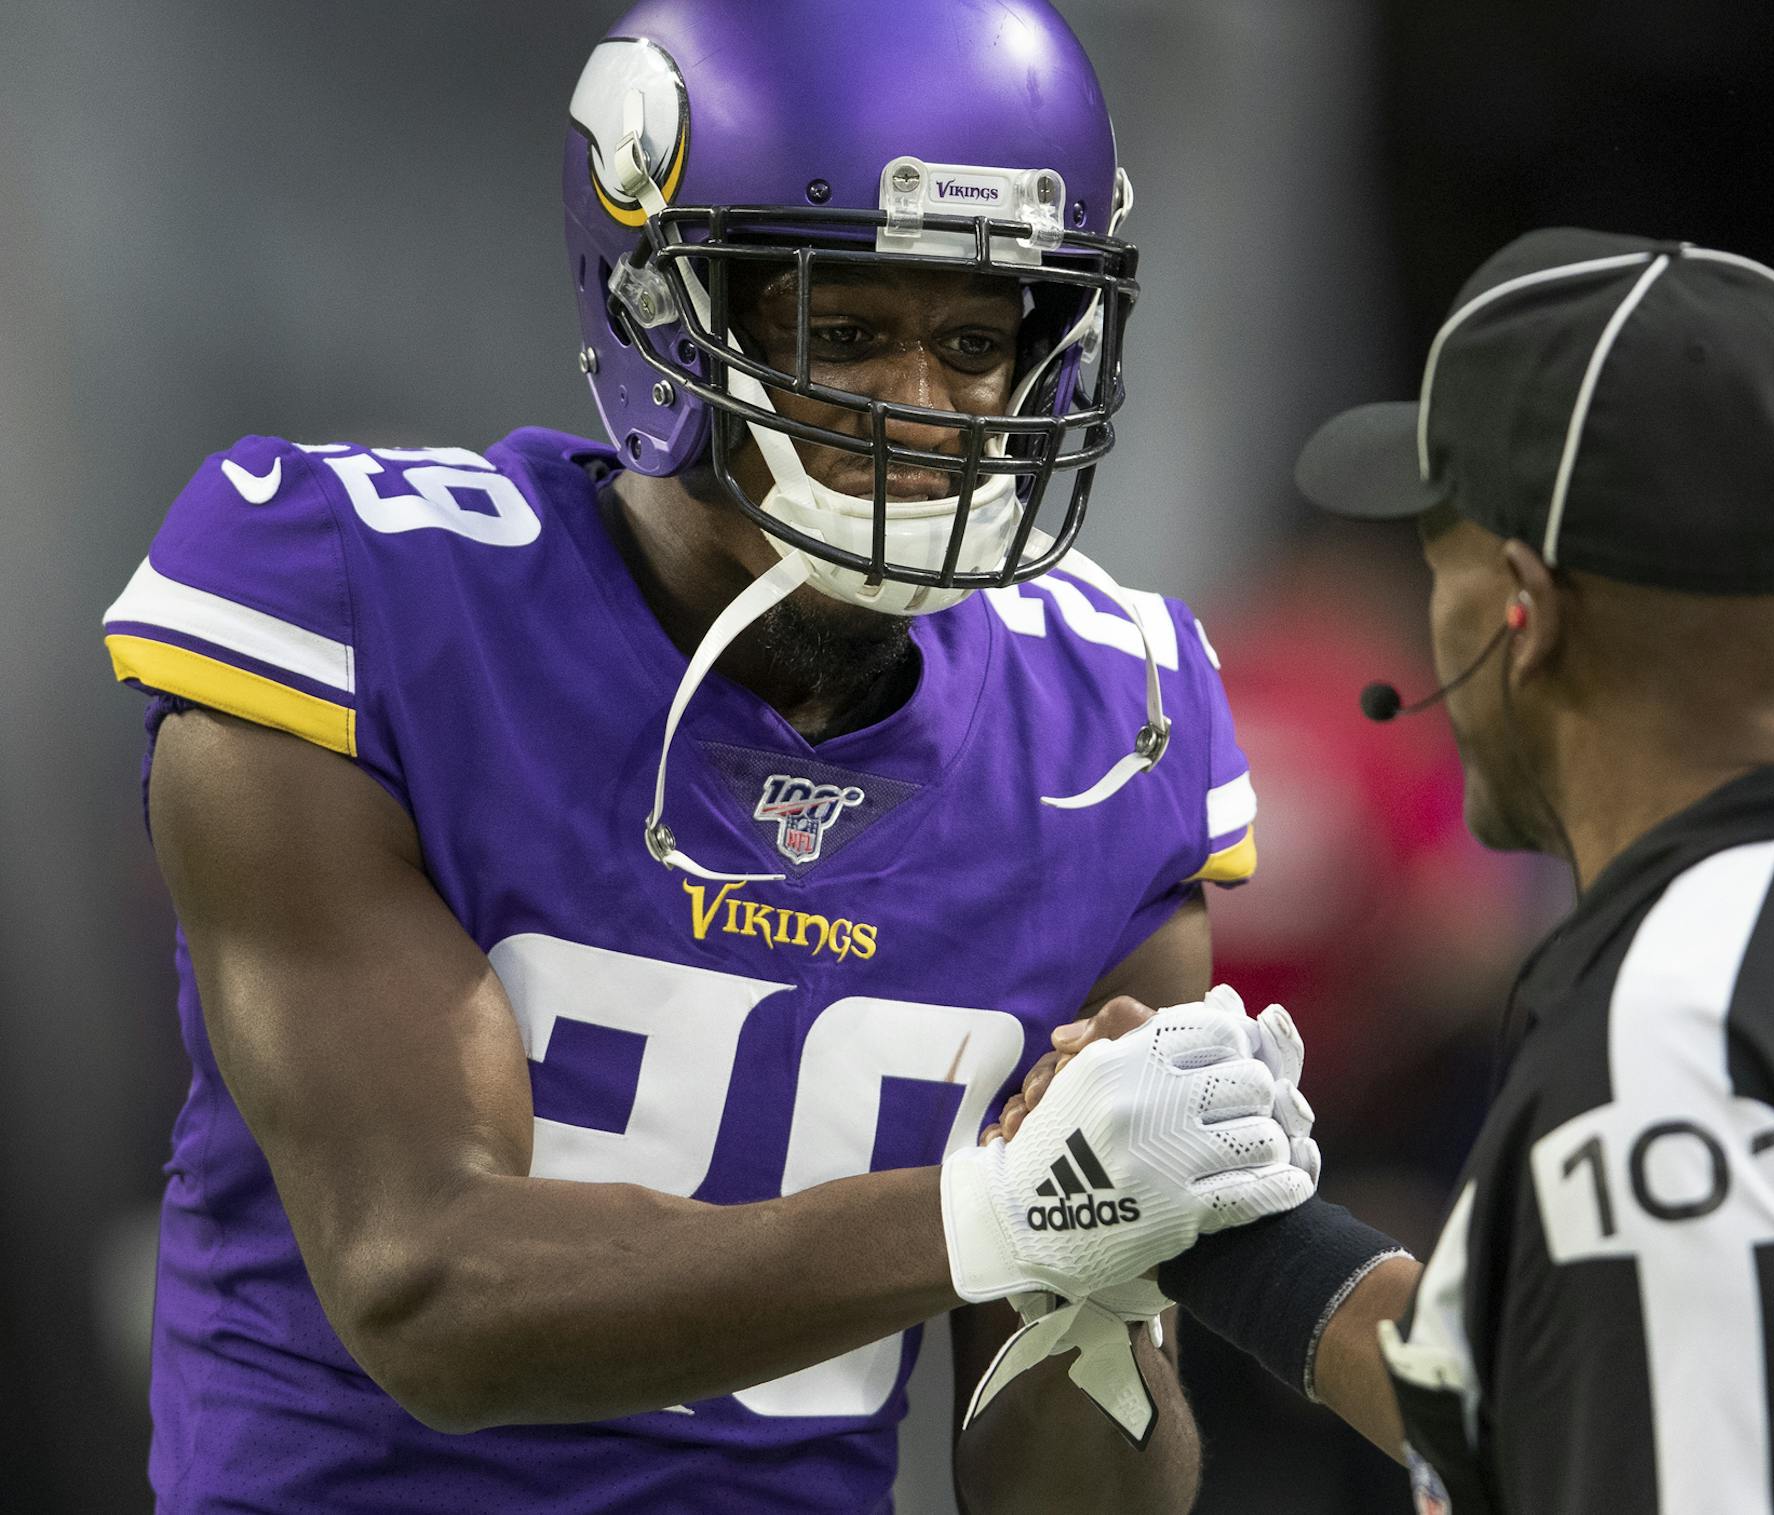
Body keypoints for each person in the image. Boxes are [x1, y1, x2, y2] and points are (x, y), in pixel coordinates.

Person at [98, 3, 1320, 1511]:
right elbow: (428, 1287)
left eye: (975, 341)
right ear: (668, 317)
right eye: (849, 332)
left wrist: (1110, 1268)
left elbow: (1062, 1489)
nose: (919, 417)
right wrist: (1009, 1204)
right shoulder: (358, 597)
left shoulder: (1106, 726)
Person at [1022, 229, 1774, 1513]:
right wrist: (1230, 1234)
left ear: (1523, 604)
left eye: (1434, 556)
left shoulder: (1688, 1026)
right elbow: (1611, 1396)